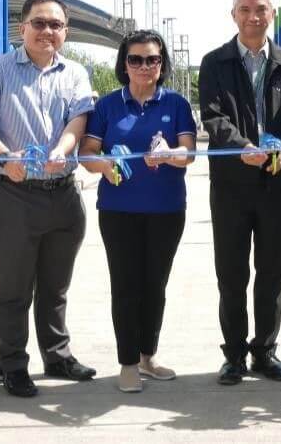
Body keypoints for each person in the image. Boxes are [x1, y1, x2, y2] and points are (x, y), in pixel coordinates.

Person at [0, 0, 95, 398]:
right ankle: (14, 364)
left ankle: (56, 355)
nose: (47, 31)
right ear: (23, 28)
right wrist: (4, 157)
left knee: (56, 286)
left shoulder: (75, 72)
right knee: (16, 287)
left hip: (64, 195)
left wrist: (64, 148)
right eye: (39, 23)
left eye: (55, 25)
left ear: (65, 32)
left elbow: (78, 119)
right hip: (15, 194)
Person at [198, 0, 281, 385]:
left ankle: (265, 350)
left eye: (260, 9)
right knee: (231, 273)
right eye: (245, 9)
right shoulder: (215, 62)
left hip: (275, 186)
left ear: (271, 13)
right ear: (233, 15)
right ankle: (234, 355)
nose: (253, 17)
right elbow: (212, 116)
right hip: (230, 186)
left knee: (272, 271)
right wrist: (242, 145)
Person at [80, 30, 196, 393]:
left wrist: (169, 155)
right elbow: (87, 154)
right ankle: (128, 363)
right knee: (126, 286)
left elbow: (188, 154)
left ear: (162, 65)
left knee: (155, 286)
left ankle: (149, 355)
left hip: (166, 210)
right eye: (136, 59)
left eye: (152, 60)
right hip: (118, 211)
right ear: (124, 64)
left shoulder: (176, 104)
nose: (145, 67)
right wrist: (105, 166)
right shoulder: (108, 106)